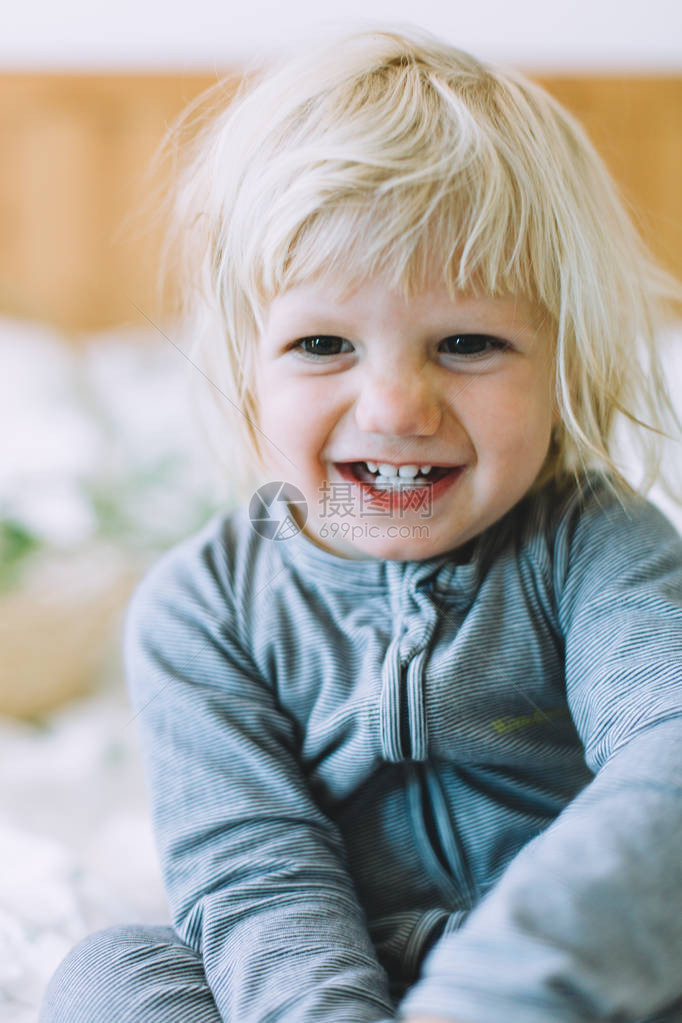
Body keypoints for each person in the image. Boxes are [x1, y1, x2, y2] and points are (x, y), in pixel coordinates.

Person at [40, 24, 682, 1023]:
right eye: (323, 342)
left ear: (563, 360)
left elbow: (666, 763)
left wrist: (492, 993)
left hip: (565, 979)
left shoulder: (597, 550)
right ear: (244, 366)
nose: (393, 406)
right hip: (320, 984)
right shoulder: (201, 609)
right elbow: (255, 881)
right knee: (111, 972)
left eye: (467, 342)